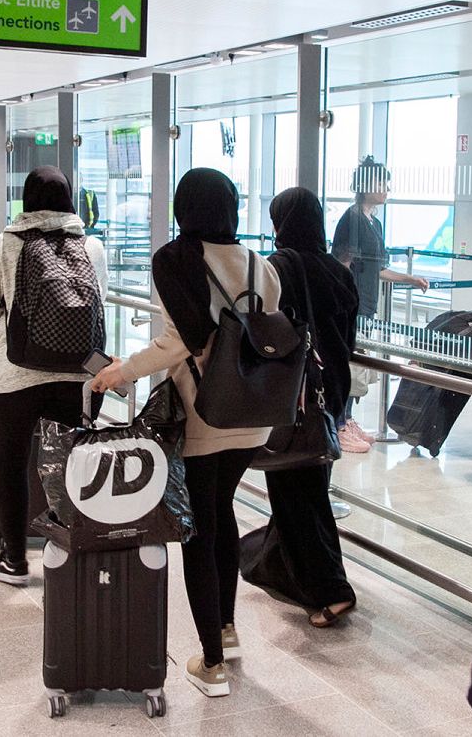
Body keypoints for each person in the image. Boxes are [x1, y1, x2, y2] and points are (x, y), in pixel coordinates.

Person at [92, 168, 282, 699]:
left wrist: (120, 371)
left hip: (205, 412)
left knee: (199, 529)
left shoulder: (177, 261)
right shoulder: (260, 264)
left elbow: (181, 343)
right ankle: (226, 628)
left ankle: (213, 663)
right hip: (254, 412)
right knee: (221, 513)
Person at [0, 166, 107, 586]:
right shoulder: (91, 246)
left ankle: (14, 559)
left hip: (16, 375)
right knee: (64, 466)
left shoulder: (5, 244)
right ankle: (64, 551)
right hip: (73, 376)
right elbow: (99, 314)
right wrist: (97, 374)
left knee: (10, 464)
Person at [255, 186, 358, 627]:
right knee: (312, 478)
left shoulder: (278, 268)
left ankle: (330, 590)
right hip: (331, 389)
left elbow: (264, 333)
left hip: (292, 393)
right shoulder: (339, 270)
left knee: (296, 489)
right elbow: (349, 336)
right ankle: (286, 570)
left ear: (281, 223)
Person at [331, 156, 428, 446]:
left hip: (367, 305)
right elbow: (343, 263)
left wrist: (410, 279)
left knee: (358, 365)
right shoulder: (353, 219)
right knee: (350, 363)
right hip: (353, 305)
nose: (386, 189)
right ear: (365, 185)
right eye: (381, 183)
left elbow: (376, 268)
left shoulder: (374, 223)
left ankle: (346, 419)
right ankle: (339, 423)